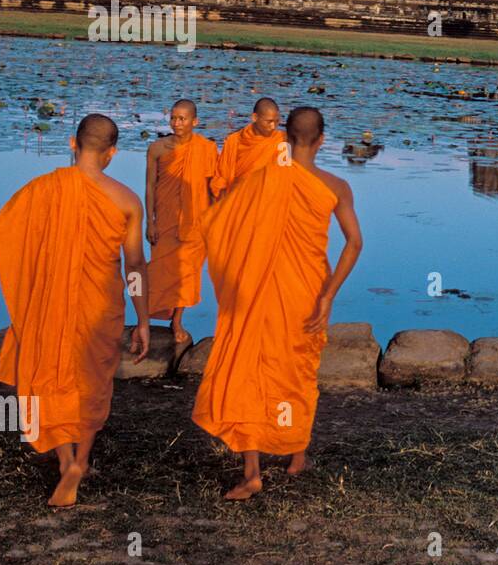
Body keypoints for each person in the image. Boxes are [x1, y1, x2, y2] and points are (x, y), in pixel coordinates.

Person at [191, 107, 363, 499]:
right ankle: (296, 455)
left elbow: (217, 225)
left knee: (251, 368)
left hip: (257, 292)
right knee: (296, 370)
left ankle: (252, 473)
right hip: (307, 291)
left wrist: (235, 280)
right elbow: (354, 244)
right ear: (322, 140)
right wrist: (329, 294)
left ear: (284, 137)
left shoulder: (260, 179)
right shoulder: (335, 186)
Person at [0, 114, 150, 507]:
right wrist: (144, 319)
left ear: (71, 143)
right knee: (92, 380)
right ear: (113, 153)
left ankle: (66, 461)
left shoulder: (41, 190)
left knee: (49, 372)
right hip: (101, 304)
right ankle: (81, 460)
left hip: (50, 304)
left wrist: (27, 290)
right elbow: (134, 266)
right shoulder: (127, 199)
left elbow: (4, 238)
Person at [146, 99, 218, 344]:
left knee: (187, 273)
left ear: (194, 122)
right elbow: (150, 186)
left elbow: (211, 188)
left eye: (183, 119)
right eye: (174, 118)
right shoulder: (157, 148)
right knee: (158, 270)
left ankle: (177, 320)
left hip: (196, 221)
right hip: (164, 218)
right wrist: (150, 222)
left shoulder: (206, 149)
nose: (177, 123)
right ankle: (145, 320)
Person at [211, 97, 285, 195]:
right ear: (254, 118)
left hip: (269, 197)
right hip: (238, 196)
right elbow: (222, 175)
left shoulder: (282, 141)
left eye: (276, 121)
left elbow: (285, 176)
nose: (273, 126)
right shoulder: (234, 140)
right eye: (269, 121)